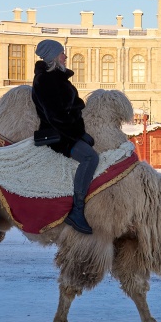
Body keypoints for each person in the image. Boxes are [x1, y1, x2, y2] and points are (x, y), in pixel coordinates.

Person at [31, 39, 98, 234]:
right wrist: (78, 136)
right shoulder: (45, 80)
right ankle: (76, 210)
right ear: (53, 57)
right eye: (62, 53)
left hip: (68, 133)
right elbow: (56, 116)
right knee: (90, 157)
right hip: (58, 137)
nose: (65, 56)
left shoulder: (57, 78)